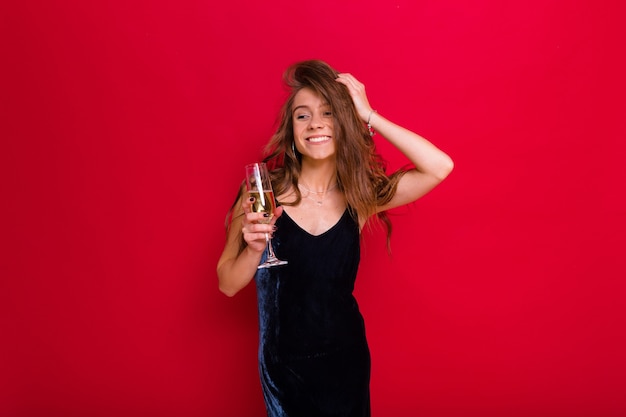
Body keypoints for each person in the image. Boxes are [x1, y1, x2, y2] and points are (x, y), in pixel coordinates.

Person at [217, 60, 453, 417]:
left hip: (345, 361)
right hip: (284, 367)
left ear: (343, 123)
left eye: (328, 112)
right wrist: (253, 250)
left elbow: (439, 167)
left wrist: (369, 113)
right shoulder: (262, 192)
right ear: (291, 129)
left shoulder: (361, 196)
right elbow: (227, 284)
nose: (315, 124)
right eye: (303, 115)